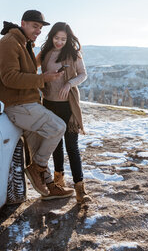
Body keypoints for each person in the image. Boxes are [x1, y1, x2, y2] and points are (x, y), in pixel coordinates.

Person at [0, 10, 74, 200]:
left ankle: (49, 185)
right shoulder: (9, 43)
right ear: (23, 23)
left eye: (41, 27)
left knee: (38, 148)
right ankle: (36, 169)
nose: (39, 31)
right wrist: (43, 79)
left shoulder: (23, 43)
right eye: (35, 26)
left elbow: (26, 70)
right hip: (18, 104)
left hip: (27, 103)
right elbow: (10, 78)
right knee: (58, 127)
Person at [37, 22, 91, 203]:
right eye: (56, 38)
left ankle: (80, 188)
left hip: (69, 105)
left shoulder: (73, 54)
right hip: (49, 104)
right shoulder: (45, 53)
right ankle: (58, 182)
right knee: (55, 146)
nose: (59, 42)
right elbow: (33, 68)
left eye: (63, 39)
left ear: (68, 39)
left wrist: (69, 83)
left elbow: (83, 74)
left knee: (72, 147)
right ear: (51, 36)